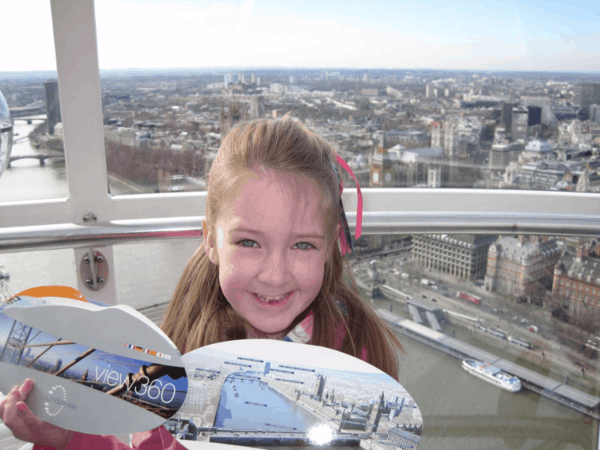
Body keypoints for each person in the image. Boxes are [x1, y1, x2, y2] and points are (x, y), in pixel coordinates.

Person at [0, 116, 403, 449]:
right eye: (249, 242)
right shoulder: (178, 352)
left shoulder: (357, 360)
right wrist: (68, 439)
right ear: (210, 240)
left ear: (332, 245)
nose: (276, 273)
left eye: (302, 245)